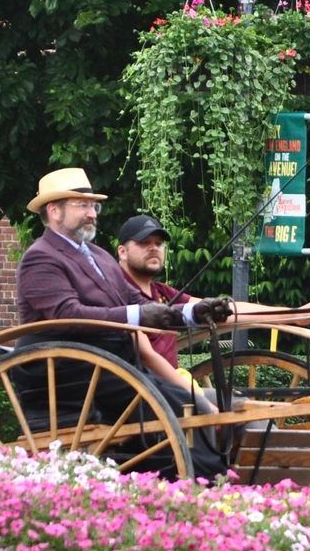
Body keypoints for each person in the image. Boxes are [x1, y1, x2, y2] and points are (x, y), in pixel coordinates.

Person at [14, 168, 233, 478]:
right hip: (69, 369)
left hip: (111, 365)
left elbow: (137, 302)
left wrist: (194, 313)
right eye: (82, 205)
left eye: (94, 206)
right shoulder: (40, 257)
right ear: (54, 211)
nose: (92, 214)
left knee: (185, 400)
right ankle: (199, 481)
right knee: (174, 406)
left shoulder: (99, 256)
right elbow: (67, 314)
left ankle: (196, 477)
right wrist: (139, 316)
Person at [114, 212, 310, 387]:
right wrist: (195, 397)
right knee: (233, 411)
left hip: (170, 390)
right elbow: (145, 355)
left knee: (246, 410)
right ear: (122, 252)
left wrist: (292, 314)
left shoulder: (162, 292)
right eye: (144, 243)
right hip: (144, 393)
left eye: (159, 243)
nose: (153, 248)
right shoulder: (115, 292)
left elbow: (225, 311)